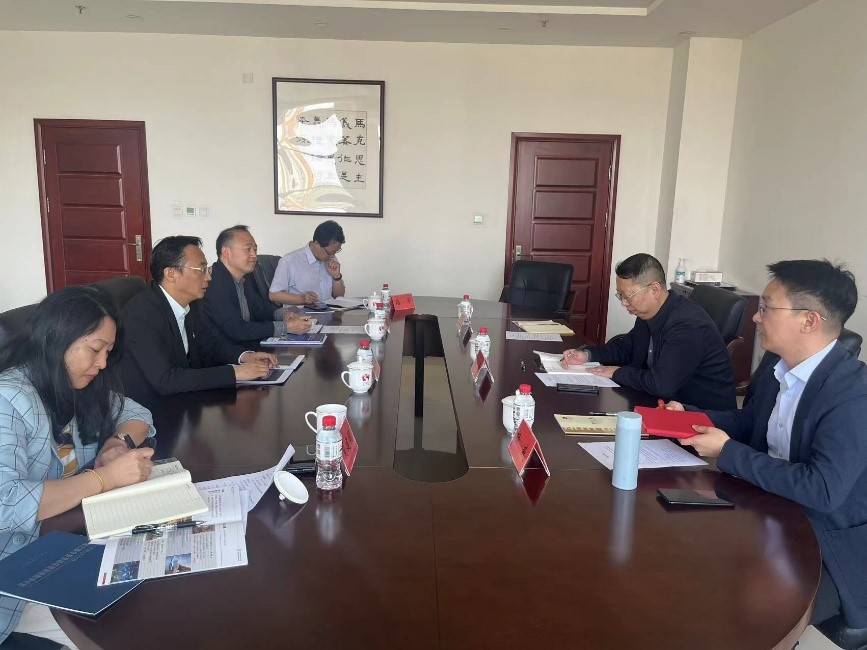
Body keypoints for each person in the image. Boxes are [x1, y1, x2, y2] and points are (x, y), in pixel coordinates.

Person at [671, 259, 867, 630]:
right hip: (772, 512)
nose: (756, 318)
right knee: (683, 557)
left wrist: (727, 453)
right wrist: (689, 418)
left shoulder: (853, 395)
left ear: (809, 320)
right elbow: (751, 423)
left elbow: (823, 490)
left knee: (738, 611)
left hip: (828, 545)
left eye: (766, 308)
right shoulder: (780, 366)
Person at [0, 286, 156, 648]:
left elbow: (138, 415)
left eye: (108, 352)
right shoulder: (10, 398)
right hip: (15, 574)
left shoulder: (76, 385)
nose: (102, 364)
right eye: (95, 349)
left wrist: (117, 443)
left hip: (63, 543)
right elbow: (6, 502)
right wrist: (104, 478)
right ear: (58, 339)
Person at [120, 236, 277, 407]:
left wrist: (245, 356)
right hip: (151, 408)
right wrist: (234, 373)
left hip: (185, 399)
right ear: (171, 274)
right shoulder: (142, 313)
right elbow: (166, 380)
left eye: (207, 269)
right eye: (201, 269)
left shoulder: (191, 303)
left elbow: (209, 345)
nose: (208, 277)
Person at [563, 253, 735, 410]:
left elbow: (662, 384)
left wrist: (617, 372)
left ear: (654, 289)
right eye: (620, 295)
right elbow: (626, 348)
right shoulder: (648, 313)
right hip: (662, 403)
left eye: (628, 295)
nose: (623, 303)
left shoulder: (687, 324)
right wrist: (587, 355)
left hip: (700, 417)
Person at [203, 225, 312, 346]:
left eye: (255, 249)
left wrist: (284, 315)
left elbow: (260, 308)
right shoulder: (214, 282)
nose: (254, 255)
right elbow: (237, 329)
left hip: (246, 345)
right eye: (248, 249)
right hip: (227, 351)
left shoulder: (246, 275)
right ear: (226, 252)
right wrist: (286, 327)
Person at [269, 220, 346, 306]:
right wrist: (303, 299)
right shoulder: (289, 261)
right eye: (330, 252)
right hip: (301, 312)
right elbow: (274, 295)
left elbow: (339, 296)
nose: (332, 256)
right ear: (316, 244)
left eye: (336, 251)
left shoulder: (331, 259)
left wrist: (336, 277)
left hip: (330, 310)